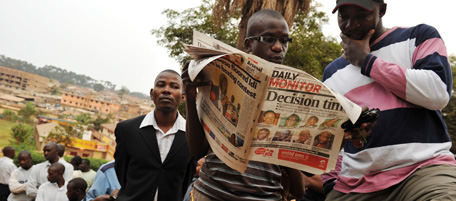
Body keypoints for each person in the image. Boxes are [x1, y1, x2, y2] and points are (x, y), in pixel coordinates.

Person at [322, 0, 456, 200]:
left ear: (382, 10)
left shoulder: (419, 36)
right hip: (356, 183)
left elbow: (438, 93)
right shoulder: (332, 73)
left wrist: (367, 62)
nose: (351, 25)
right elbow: (332, 140)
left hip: (422, 170)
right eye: (344, 16)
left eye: (361, 15)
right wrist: (330, 184)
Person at [183, 9, 306, 201]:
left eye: (284, 41)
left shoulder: (292, 96)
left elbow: (298, 189)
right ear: (249, 43)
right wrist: (190, 99)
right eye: (268, 39)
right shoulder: (218, 81)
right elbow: (197, 150)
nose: (278, 47)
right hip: (211, 194)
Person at [114, 69, 195, 201]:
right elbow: (122, 174)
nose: (166, 90)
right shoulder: (127, 129)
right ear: (152, 94)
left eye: (174, 87)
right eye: (161, 85)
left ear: (182, 97)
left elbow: (186, 179)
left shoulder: (191, 136)